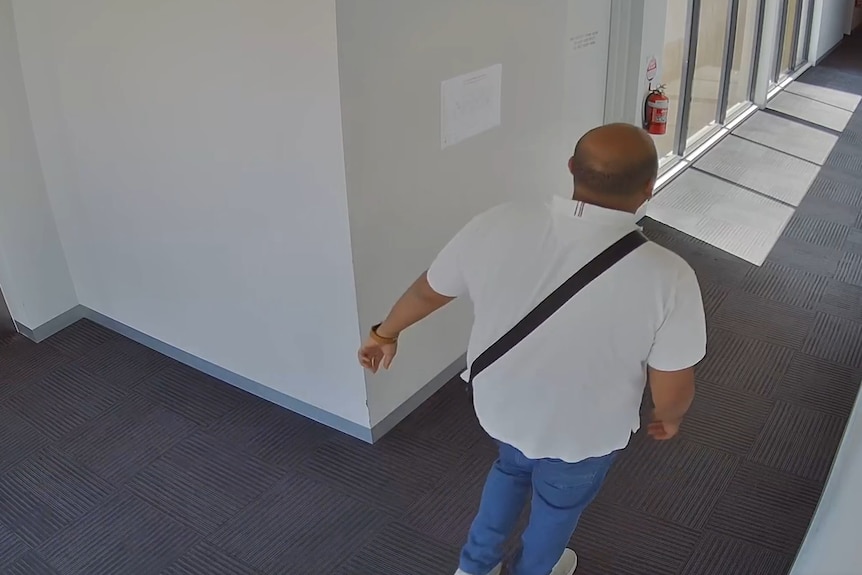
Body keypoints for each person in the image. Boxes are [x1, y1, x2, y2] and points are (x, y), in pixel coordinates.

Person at [357, 123, 707, 575]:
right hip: (584, 431)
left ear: (570, 169)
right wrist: (670, 415)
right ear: (649, 188)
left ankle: (474, 567)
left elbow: (429, 292)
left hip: (502, 407)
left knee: (512, 468)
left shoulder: (498, 222)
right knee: (558, 508)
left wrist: (384, 334)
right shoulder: (669, 275)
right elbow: (673, 379)